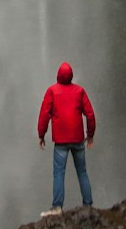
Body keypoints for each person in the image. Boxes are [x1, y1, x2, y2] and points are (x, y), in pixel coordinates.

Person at [37, 61, 95, 215]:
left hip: (61, 142)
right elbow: (90, 114)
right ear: (71, 76)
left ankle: (57, 207)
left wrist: (41, 135)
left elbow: (44, 115)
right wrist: (90, 135)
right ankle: (88, 205)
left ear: (58, 75)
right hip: (78, 140)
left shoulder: (52, 91)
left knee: (58, 173)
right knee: (82, 172)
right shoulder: (79, 91)